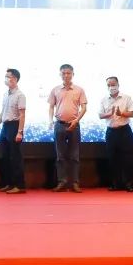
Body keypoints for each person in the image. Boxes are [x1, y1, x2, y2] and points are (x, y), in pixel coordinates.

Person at [48, 64, 87, 192]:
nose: (66, 75)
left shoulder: (79, 90)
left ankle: (75, 183)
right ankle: (62, 182)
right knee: (60, 156)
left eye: (68, 73)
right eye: (63, 73)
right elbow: (51, 107)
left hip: (74, 124)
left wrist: (77, 120)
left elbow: (84, 108)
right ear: (60, 74)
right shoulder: (55, 90)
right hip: (59, 124)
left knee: (74, 155)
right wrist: (50, 121)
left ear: (73, 74)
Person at [0, 68, 26, 194]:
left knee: (15, 157)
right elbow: (3, 112)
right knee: (6, 157)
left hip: (14, 126)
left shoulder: (20, 95)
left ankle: (19, 185)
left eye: (8, 76)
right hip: (5, 127)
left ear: (15, 79)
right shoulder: (5, 94)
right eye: (5, 76)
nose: (6, 79)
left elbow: (22, 115)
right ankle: (9, 183)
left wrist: (20, 132)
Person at [99, 76, 133, 192]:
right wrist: (109, 114)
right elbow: (100, 115)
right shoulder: (104, 99)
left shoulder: (126, 98)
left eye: (113, 84)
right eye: (109, 85)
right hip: (111, 132)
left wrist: (122, 113)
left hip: (124, 131)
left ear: (118, 85)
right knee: (112, 158)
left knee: (128, 158)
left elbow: (131, 113)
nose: (111, 87)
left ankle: (129, 184)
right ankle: (115, 184)